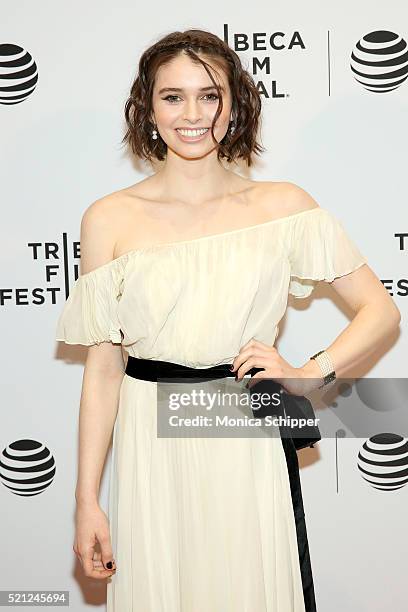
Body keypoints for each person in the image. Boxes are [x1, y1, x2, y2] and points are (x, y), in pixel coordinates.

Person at [55, 29, 401, 612]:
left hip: (240, 426)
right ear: (146, 106)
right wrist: (86, 498)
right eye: (173, 96)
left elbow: (381, 311)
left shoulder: (283, 207)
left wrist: (307, 372)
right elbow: (104, 369)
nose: (192, 114)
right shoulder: (109, 217)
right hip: (149, 438)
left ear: (235, 104)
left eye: (209, 95)